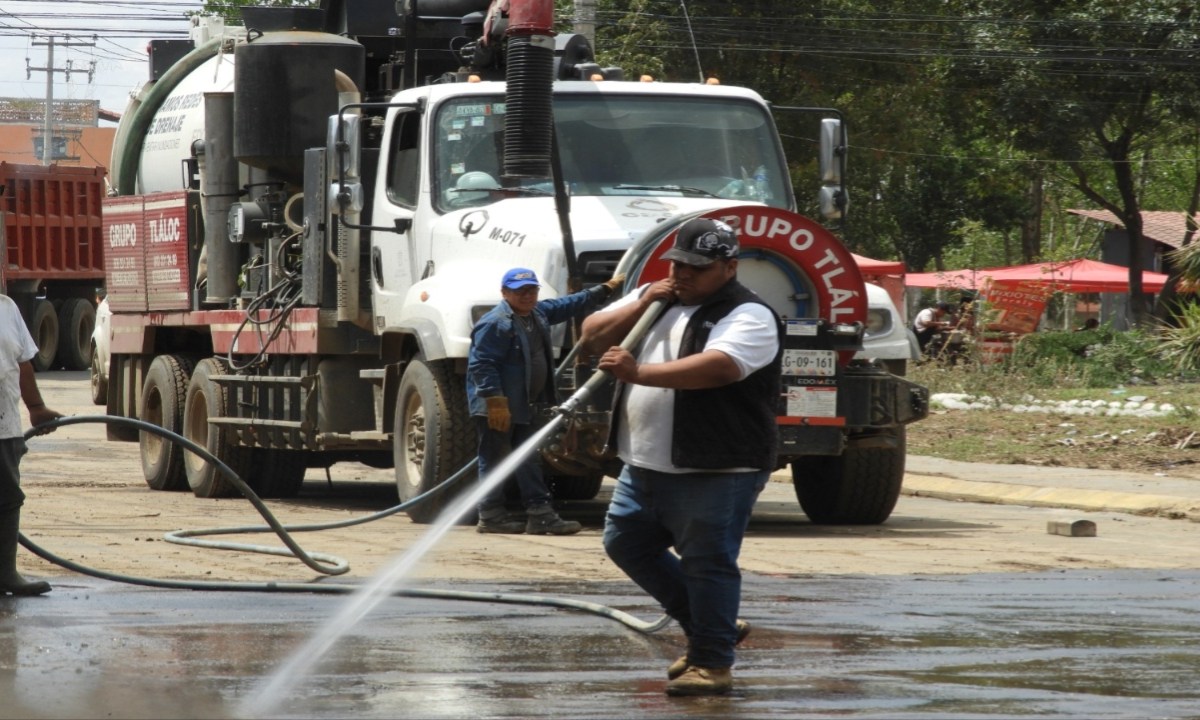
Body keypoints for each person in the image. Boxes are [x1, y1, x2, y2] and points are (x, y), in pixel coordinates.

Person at [579, 218, 782, 697]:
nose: (683, 274)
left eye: (698, 268)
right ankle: (712, 626)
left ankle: (712, 662)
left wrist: (639, 372)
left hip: (715, 464)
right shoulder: (660, 294)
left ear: (729, 268)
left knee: (708, 562)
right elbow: (590, 334)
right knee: (626, 544)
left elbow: (722, 367)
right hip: (646, 461)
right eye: (678, 263)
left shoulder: (749, 314)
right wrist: (646, 299)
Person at [467, 267, 623, 535]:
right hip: (498, 407)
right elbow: (482, 363)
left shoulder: (537, 313)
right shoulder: (496, 323)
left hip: (523, 404)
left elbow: (568, 304)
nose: (527, 296)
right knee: (494, 459)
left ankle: (539, 514)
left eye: (532, 290)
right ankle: (492, 515)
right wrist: (494, 400)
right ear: (505, 293)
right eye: (520, 291)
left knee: (528, 458)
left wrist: (604, 289)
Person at [1, 293, 63, 595]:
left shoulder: (7, 308)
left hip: (5, 426)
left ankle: (5, 573)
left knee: (8, 497)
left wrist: (36, 407)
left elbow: (23, 363)